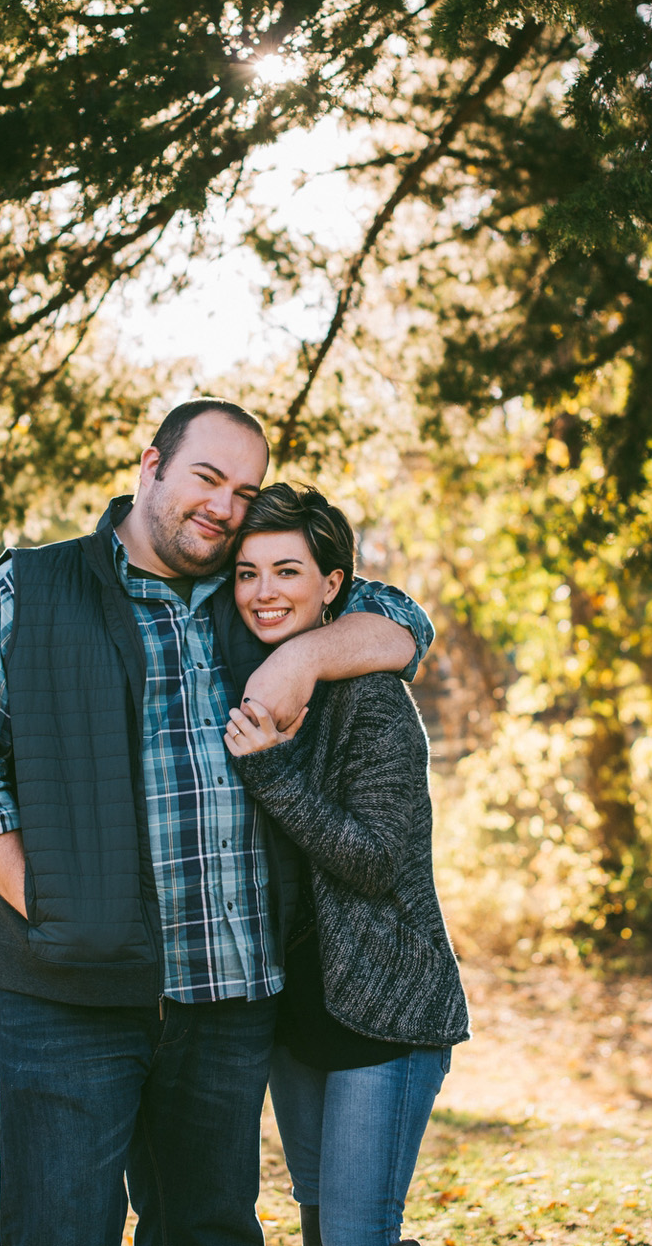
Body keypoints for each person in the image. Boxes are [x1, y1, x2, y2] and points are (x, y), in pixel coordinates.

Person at [0, 400, 434, 1246]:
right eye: (206, 477)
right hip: (69, 994)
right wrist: (45, 903)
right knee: (60, 1230)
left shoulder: (256, 593)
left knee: (209, 1232)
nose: (225, 508)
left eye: (244, 490)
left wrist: (304, 657)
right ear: (150, 465)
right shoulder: (30, 585)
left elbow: (408, 627)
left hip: (227, 997)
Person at [224, 483, 470, 1246]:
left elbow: (372, 861)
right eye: (246, 573)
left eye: (287, 571)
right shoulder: (246, 676)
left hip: (385, 1012)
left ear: (333, 585)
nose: (264, 593)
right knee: (323, 1229)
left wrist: (272, 774)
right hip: (293, 1015)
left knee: (359, 1235)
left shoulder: (374, 702)